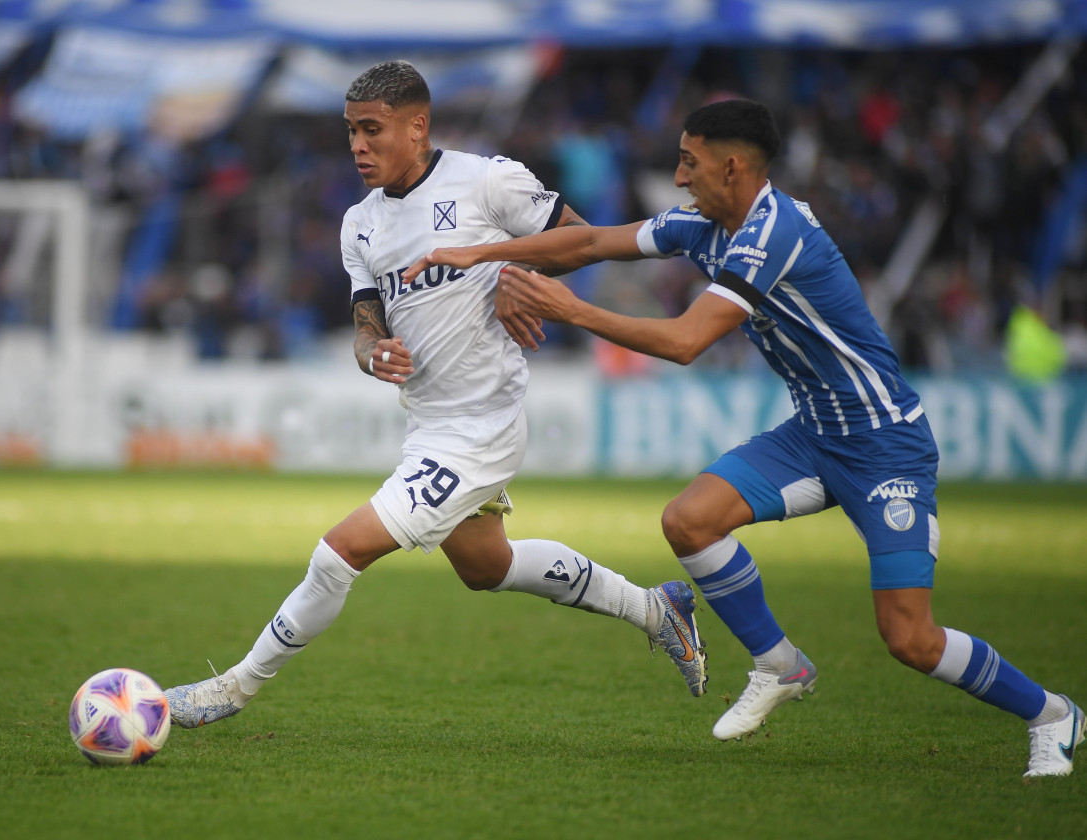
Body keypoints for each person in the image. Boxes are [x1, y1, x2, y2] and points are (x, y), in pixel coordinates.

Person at [402, 98, 1083, 778]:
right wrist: (481, 253)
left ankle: (1052, 713)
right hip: (813, 433)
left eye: (688, 162)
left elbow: (686, 340)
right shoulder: (704, 221)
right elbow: (589, 242)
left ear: (732, 168)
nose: (676, 176)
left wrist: (571, 309)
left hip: (883, 447)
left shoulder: (773, 231)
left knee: (910, 638)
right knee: (689, 522)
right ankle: (780, 664)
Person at [163, 61, 707, 730]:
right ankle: (656, 609)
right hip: (429, 425)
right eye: (351, 132)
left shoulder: (487, 181)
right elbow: (368, 326)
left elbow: (580, 241)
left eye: (372, 130)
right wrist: (371, 353)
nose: (358, 146)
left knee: (340, 552)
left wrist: (510, 266)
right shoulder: (359, 226)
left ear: (417, 126)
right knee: (488, 567)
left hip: (483, 425)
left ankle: (235, 687)